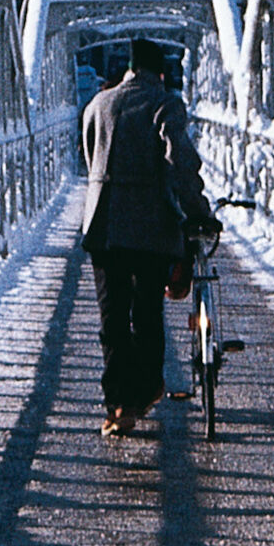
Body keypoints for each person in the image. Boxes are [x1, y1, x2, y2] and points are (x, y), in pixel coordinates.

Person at [78, 39, 217, 435]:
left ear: (128, 70)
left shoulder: (98, 104)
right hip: (152, 225)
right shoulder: (165, 103)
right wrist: (198, 214)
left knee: (113, 317)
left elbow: (90, 157)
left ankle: (117, 405)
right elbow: (181, 165)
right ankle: (144, 391)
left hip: (103, 223)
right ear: (159, 72)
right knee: (147, 313)